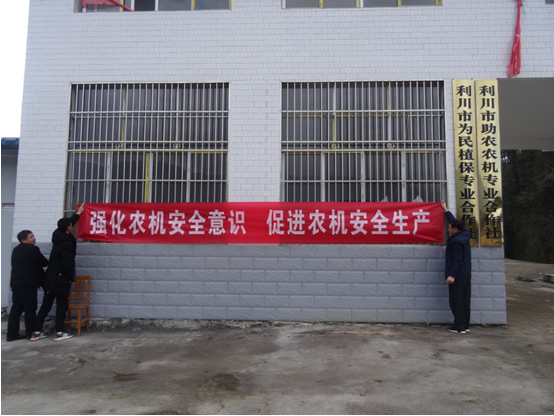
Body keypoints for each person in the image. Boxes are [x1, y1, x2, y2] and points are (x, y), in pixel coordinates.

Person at [32, 203, 85, 342]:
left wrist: (78, 214)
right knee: (62, 306)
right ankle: (59, 333)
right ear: (68, 228)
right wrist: (70, 277)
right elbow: (68, 263)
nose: (71, 226)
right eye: (70, 225)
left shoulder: (57, 234)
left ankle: (36, 332)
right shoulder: (66, 243)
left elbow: (67, 224)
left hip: (50, 278)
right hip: (60, 279)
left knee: (45, 305)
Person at [6, 230, 49, 341]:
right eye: (31, 237)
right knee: (30, 309)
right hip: (28, 284)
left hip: (16, 283)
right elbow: (44, 262)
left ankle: (12, 334)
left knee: (16, 308)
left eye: (33, 236)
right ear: (23, 240)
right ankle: (31, 333)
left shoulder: (16, 250)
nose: (33, 238)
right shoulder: (33, 250)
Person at [441, 200, 472, 334]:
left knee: (456, 301)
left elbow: (457, 261)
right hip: (465, 274)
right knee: (464, 300)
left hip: (458, 275)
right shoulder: (464, 233)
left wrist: (452, 275)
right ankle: (465, 324)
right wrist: (446, 210)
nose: (447, 229)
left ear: (455, 230)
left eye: (449, 228)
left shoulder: (456, 242)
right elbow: (455, 222)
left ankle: (459, 326)